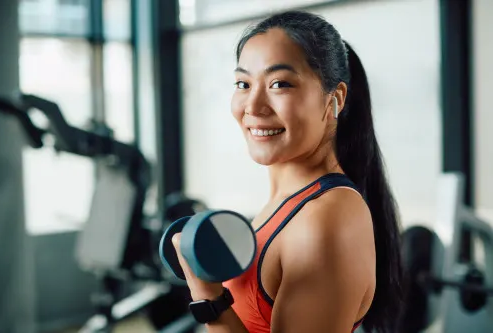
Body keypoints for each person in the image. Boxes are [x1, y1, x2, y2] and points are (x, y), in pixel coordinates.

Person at [172, 10, 403, 333]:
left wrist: (207, 294)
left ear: (334, 99)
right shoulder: (290, 204)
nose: (253, 106)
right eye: (243, 83)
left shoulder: (326, 218)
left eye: (279, 84)